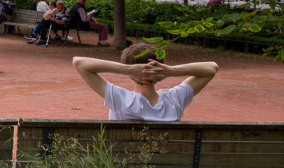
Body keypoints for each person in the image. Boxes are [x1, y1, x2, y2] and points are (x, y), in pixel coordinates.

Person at [73, 43, 218, 121]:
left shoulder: (121, 99)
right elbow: (212, 68)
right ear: (159, 67)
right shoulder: (175, 99)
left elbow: (79, 63)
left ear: (132, 73)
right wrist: (170, 71)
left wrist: (128, 69)